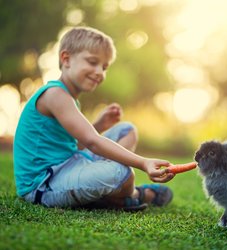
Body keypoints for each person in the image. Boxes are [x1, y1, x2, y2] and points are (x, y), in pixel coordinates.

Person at [13, 26, 175, 211]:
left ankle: (110, 193)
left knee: (127, 130)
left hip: (68, 165)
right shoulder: (55, 94)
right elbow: (91, 141)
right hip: (43, 186)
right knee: (122, 170)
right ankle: (134, 195)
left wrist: (99, 125)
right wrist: (143, 162)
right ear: (66, 59)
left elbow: (73, 145)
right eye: (92, 62)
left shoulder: (68, 98)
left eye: (104, 67)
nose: (99, 72)